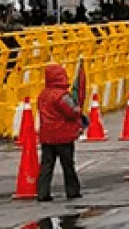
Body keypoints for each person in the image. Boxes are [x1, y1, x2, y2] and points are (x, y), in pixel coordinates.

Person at [36, 63, 84, 201]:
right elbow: (71, 112)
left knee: (46, 166)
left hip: (47, 136)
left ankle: (42, 192)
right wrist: (78, 110)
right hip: (63, 136)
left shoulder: (43, 95)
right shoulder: (62, 96)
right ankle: (72, 191)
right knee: (68, 165)